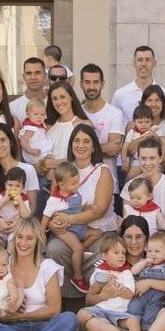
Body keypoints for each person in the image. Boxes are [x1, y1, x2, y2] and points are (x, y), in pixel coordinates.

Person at [0, 218, 78, 331]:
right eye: (20, 237)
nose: (23, 243)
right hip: (14, 328)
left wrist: (22, 315)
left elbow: (54, 310)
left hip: (45, 326)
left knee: (69, 318)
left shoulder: (47, 267)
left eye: (29, 238)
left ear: (37, 241)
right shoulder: (4, 265)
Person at [45, 125, 119, 298]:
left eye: (86, 141)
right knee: (54, 249)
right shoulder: (63, 170)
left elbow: (99, 211)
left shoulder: (103, 171)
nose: (81, 145)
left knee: (103, 250)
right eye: (76, 141)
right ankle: (66, 296)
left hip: (98, 231)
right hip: (69, 232)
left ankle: (93, 296)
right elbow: (54, 203)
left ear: (94, 147)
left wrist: (68, 220)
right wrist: (54, 223)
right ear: (71, 145)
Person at [0, 123, 41, 232]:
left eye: (3, 140)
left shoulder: (28, 169)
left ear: (10, 141)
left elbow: (32, 205)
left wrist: (19, 221)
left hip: (19, 226)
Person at [79, 64, 125, 175]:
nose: (91, 86)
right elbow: (71, 149)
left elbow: (113, 150)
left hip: (109, 182)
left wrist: (82, 149)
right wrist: (104, 148)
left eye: (96, 82)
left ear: (102, 84)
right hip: (80, 182)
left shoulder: (115, 113)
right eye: (87, 82)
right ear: (81, 84)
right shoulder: (77, 113)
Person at [111, 46, 165, 122]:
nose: (143, 64)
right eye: (140, 60)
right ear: (134, 63)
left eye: (148, 60)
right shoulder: (120, 95)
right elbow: (113, 123)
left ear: (154, 63)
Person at [8, 57, 48, 123]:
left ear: (45, 76)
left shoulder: (54, 105)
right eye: (29, 73)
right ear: (24, 77)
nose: (33, 77)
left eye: (37, 73)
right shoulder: (12, 108)